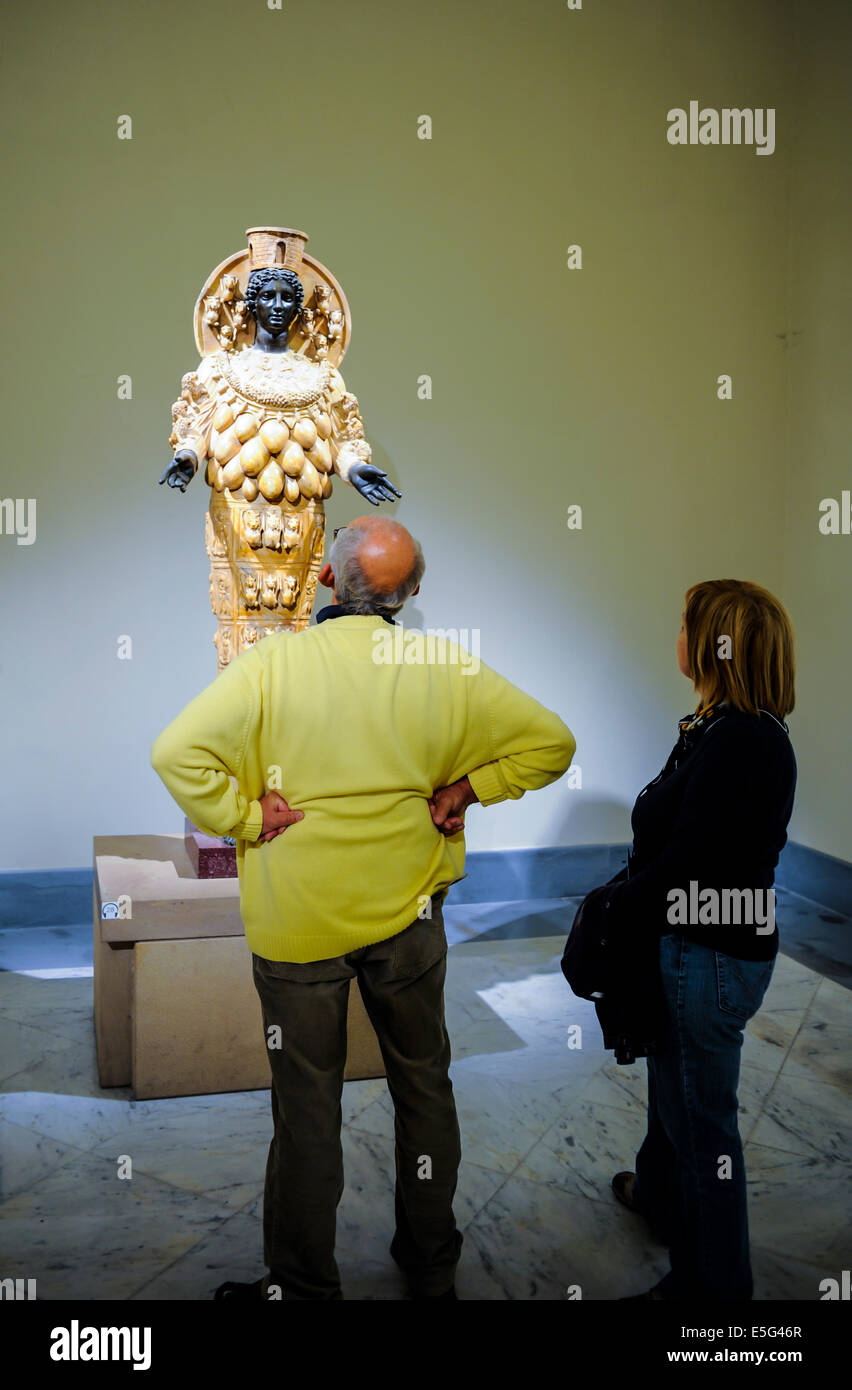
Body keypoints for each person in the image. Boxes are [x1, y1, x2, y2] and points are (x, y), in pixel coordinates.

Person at [150, 515, 575, 1301]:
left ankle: (304, 1286)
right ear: (412, 595)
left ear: (322, 580)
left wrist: (246, 818)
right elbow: (553, 743)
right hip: (409, 919)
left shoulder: (272, 666)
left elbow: (175, 753)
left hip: (298, 923)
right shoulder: (447, 666)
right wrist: (467, 788)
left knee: (306, 1105)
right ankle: (430, 1258)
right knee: (424, 1082)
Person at [601, 579, 797, 1301]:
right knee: (671, 1097)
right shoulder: (724, 728)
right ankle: (658, 1197)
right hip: (701, 946)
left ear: (716, 643)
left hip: (707, 955)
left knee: (703, 1127)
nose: (675, 637)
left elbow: (688, 859)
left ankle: (714, 1293)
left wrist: (619, 907)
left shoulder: (740, 739)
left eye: (685, 624)